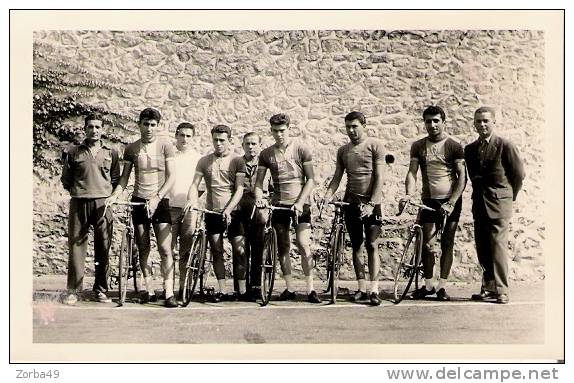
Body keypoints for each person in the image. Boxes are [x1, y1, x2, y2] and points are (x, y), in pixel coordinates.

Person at [106, 107, 177, 308]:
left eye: (153, 125)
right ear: (139, 125)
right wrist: (113, 196)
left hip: (160, 201)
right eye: (145, 124)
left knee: (164, 248)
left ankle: (169, 292)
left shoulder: (166, 146)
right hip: (139, 201)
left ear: (158, 126)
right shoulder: (131, 149)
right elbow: (124, 179)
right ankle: (149, 289)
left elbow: (172, 177)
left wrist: (157, 198)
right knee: (143, 246)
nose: (149, 128)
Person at [399, 106, 466, 301]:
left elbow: (462, 176)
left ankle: (442, 287)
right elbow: (412, 172)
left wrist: (452, 202)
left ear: (443, 122)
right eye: (428, 121)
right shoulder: (418, 146)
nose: (432, 125)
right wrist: (409, 194)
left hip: (450, 201)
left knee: (447, 242)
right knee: (427, 245)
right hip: (428, 200)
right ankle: (428, 285)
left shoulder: (454, 146)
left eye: (436, 121)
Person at [320, 111, 385, 306]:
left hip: (372, 204)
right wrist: (326, 196)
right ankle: (361, 288)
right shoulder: (343, 150)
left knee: (371, 244)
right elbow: (337, 176)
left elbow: (380, 177)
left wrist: (372, 204)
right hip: (352, 203)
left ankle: (374, 289)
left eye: (355, 126)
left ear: (364, 125)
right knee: (356, 245)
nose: (351, 130)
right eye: (348, 127)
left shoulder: (375, 146)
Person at [254, 113, 321, 303]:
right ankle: (290, 288)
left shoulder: (301, 148)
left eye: (282, 131)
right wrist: (259, 198)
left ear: (289, 129)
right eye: (275, 131)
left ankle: (310, 289)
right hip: (279, 205)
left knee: (303, 244)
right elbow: (258, 184)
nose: (279, 135)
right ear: (271, 131)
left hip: (301, 204)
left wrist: (300, 202)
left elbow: (311, 180)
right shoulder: (266, 153)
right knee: (282, 247)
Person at [464, 107, 525, 304]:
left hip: (499, 204)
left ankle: (502, 290)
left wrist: (507, 197)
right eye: (478, 121)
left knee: (498, 246)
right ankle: (488, 288)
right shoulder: (470, 149)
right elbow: (474, 177)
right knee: (482, 247)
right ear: (474, 123)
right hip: (480, 204)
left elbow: (518, 175)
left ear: (494, 122)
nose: (482, 124)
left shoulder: (505, 145)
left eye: (486, 121)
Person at [60, 113, 121, 305]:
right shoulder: (74, 152)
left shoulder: (111, 152)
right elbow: (66, 179)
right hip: (79, 202)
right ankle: (73, 291)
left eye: (97, 127)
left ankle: (101, 290)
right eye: (90, 127)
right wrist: (79, 191)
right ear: (85, 129)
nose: (94, 130)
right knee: (76, 246)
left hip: (103, 203)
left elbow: (115, 178)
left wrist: (106, 195)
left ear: (102, 130)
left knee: (103, 245)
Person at [185, 125, 246, 302]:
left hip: (234, 212)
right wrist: (192, 199)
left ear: (229, 141)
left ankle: (241, 292)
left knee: (239, 251)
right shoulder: (204, 161)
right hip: (213, 212)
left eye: (222, 140)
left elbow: (240, 189)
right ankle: (222, 290)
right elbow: (194, 185)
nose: (218, 143)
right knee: (217, 251)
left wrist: (228, 210)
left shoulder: (237, 161)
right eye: (215, 140)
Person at [233, 132, 269, 301]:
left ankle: (255, 287)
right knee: (239, 250)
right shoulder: (236, 163)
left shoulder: (265, 165)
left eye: (254, 143)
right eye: (247, 143)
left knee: (257, 249)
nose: (251, 147)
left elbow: (273, 188)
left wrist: (265, 200)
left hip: (257, 208)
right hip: (239, 208)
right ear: (242, 145)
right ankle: (240, 289)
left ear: (259, 145)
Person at [168, 122, 201, 302]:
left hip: (190, 209)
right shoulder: (170, 155)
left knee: (186, 252)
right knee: (169, 250)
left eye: (188, 136)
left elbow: (201, 185)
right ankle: (169, 290)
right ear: (176, 136)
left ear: (192, 138)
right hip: (171, 208)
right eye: (181, 135)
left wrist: (193, 200)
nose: (184, 139)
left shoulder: (198, 158)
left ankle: (184, 287)